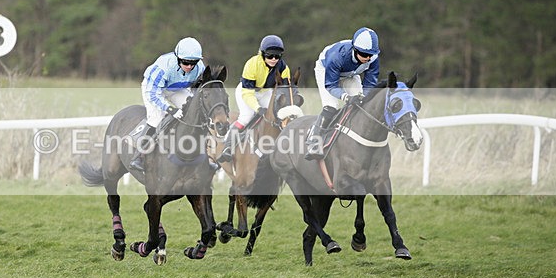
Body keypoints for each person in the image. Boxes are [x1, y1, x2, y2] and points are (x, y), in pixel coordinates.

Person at [129, 36, 206, 173]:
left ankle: (203, 155)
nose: (189, 67)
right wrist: (171, 109)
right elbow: (153, 94)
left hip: (177, 89)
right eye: (185, 62)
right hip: (154, 89)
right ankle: (138, 157)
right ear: (177, 58)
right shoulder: (163, 66)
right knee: (157, 118)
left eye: (193, 63)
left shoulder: (200, 68)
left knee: (195, 112)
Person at [305, 26, 381, 160]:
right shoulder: (337, 56)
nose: (368, 58)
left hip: (351, 74)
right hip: (326, 71)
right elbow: (331, 85)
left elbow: (370, 84)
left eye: (370, 55)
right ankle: (313, 139)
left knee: (360, 104)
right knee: (331, 107)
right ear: (355, 49)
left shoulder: (373, 58)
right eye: (364, 54)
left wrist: (363, 97)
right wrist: (345, 96)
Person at [217, 34, 290, 164]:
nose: (273, 59)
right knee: (247, 116)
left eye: (277, 56)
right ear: (262, 54)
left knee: (277, 114)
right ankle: (227, 147)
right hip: (247, 91)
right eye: (270, 56)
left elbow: (285, 90)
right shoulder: (252, 64)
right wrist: (258, 108)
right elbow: (247, 93)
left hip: (265, 91)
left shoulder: (283, 68)